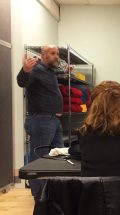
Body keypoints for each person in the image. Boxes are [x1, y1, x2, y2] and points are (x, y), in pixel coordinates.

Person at [17, 45, 64, 199]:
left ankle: (54, 193)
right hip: (41, 120)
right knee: (39, 159)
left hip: (53, 120)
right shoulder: (35, 69)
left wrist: (65, 72)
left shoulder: (49, 71)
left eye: (57, 53)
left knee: (59, 155)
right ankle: (40, 197)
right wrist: (24, 70)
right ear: (43, 55)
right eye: (53, 53)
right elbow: (21, 82)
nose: (56, 56)